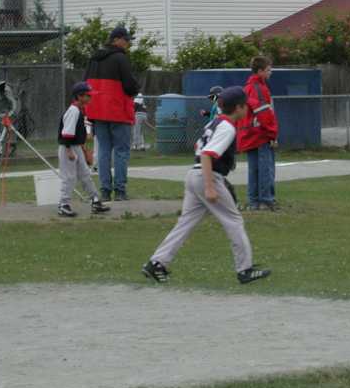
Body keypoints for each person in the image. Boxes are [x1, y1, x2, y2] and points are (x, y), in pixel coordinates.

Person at [142, 86, 271, 285]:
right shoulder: (227, 127)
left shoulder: (215, 121)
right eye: (245, 105)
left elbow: (199, 147)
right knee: (234, 221)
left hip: (194, 175)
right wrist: (210, 186)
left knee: (186, 223)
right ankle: (244, 270)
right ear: (238, 107)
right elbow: (207, 155)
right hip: (206, 176)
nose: (247, 108)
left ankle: (157, 262)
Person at [84, 26, 140, 202]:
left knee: (103, 151)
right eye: (126, 40)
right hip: (118, 111)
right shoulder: (120, 58)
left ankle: (105, 191)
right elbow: (130, 86)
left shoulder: (94, 59)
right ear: (116, 40)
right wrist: (136, 88)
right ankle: (120, 191)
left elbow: (86, 84)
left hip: (98, 111)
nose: (127, 43)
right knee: (121, 151)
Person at [57, 82, 111, 217]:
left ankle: (95, 201)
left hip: (75, 146)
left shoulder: (79, 110)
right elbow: (67, 133)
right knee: (69, 177)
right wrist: (69, 150)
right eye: (88, 95)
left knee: (85, 174)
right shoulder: (73, 111)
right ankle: (63, 205)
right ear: (79, 96)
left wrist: (82, 148)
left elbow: (77, 133)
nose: (90, 97)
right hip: (68, 147)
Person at [238, 56, 278, 211]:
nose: (270, 73)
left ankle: (253, 201)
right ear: (260, 71)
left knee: (253, 169)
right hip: (260, 134)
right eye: (268, 70)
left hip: (249, 134)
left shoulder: (247, 88)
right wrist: (272, 134)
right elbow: (264, 113)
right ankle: (266, 200)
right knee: (265, 168)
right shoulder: (259, 88)